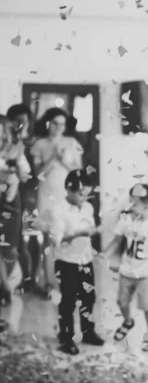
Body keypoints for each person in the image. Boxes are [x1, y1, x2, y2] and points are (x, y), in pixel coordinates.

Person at [104, 183, 148, 352]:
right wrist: (105, 254)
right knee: (121, 302)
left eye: (134, 203)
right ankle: (128, 321)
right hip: (126, 271)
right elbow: (116, 240)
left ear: (147, 205)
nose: (130, 206)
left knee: (146, 305)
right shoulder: (126, 220)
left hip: (144, 274)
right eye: (130, 202)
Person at [50, 169, 104, 355]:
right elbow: (56, 241)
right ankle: (66, 339)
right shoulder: (59, 211)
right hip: (67, 262)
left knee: (89, 299)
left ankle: (88, 332)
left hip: (85, 260)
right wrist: (75, 235)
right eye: (81, 194)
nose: (84, 197)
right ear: (68, 189)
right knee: (68, 301)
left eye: (87, 194)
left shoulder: (88, 208)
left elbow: (90, 228)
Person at [32, 107, 83, 298]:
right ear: (47, 123)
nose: (58, 127)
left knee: (68, 238)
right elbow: (37, 174)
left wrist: (63, 161)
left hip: (66, 197)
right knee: (48, 240)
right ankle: (48, 283)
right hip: (45, 197)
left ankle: (69, 283)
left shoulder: (72, 142)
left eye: (62, 123)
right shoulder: (39, 144)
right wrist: (52, 158)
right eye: (55, 123)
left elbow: (78, 172)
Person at [7, 103, 40, 292]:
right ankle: (16, 277)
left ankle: (31, 278)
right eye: (16, 120)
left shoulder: (34, 142)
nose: (20, 124)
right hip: (10, 196)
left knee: (31, 237)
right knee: (14, 238)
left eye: (23, 120)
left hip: (30, 195)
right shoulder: (8, 142)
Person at [0, 115, 30, 304]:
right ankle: (4, 287)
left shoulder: (16, 149)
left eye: (2, 129)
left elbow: (25, 176)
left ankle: (6, 286)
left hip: (10, 203)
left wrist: (17, 169)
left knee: (9, 248)